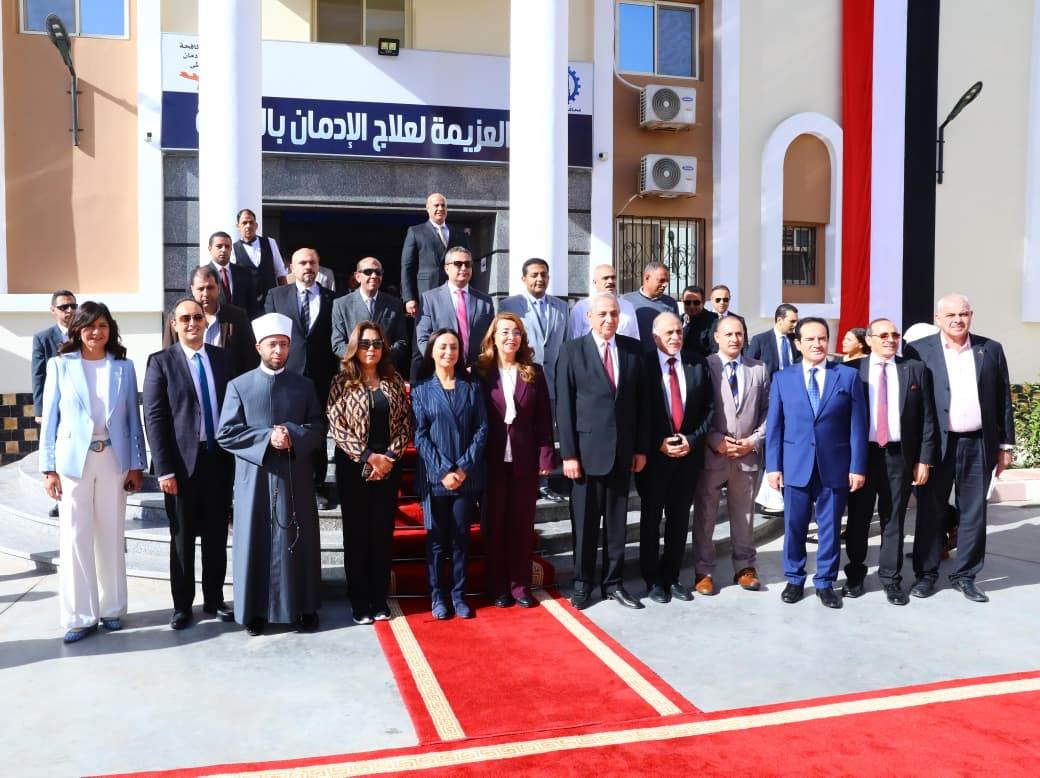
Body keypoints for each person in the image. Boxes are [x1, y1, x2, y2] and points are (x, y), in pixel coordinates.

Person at [39, 301, 146, 643]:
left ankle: (112, 609)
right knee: (75, 536)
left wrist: (136, 464)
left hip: (113, 459)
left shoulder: (123, 367)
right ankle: (80, 616)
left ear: (110, 329)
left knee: (111, 533)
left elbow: (132, 419)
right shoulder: (60, 365)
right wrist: (48, 468)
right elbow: (50, 420)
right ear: (77, 329)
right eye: (89, 326)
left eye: (102, 325)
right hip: (73, 463)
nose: (96, 332)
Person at [216, 313, 323, 636]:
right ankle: (254, 611)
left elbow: (318, 427)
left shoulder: (304, 385)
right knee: (255, 540)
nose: (278, 351)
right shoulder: (239, 386)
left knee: (299, 541)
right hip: (255, 479)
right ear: (258, 347)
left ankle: (304, 607)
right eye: (272, 344)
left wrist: (292, 434)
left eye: (284, 345)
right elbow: (226, 433)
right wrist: (266, 438)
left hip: (294, 477)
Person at [903, 294, 1014, 602]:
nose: (957, 320)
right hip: (936, 444)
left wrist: (1005, 445)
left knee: (973, 512)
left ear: (971, 316)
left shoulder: (990, 349)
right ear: (938, 318)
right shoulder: (919, 350)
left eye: (963, 314)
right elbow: (912, 404)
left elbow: (1003, 398)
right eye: (950, 315)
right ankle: (926, 574)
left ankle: (965, 576)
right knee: (930, 509)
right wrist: (915, 452)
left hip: (978, 443)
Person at [143, 297, 235, 629]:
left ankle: (214, 599)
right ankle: (182, 606)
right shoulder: (161, 362)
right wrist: (164, 469)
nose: (192, 323)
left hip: (218, 461)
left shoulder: (223, 359)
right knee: (182, 539)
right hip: (181, 467)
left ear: (206, 322)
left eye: (197, 317)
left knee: (215, 537)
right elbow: (154, 418)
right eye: (185, 319)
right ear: (174, 325)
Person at [765, 317, 867, 609]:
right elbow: (775, 427)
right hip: (795, 465)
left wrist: (857, 466)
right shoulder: (782, 378)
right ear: (798, 344)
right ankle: (795, 578)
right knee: (794, 526)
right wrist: (773, 466)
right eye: (810, 339)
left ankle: (825, 582)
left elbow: (858, 426)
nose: (817, 344)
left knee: (830, 528)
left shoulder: (847, 376)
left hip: (834, 466)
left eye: (822, 338)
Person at [556, 293, 649, 610]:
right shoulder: (572, 351)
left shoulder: (633, 350)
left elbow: (641, 405)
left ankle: (614, 583)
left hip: (622, 454)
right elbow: (564, 406)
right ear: (589, 317)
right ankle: (582, 584)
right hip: (584, 455)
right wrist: (568, 454)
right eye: (603, 314)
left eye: (614, 314)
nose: (609, 319)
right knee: (584, 525)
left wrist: (639, 449)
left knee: (616, 524)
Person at [843, 318, 939, 606]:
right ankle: (855, 574)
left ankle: (891, 579)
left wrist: (924, 459)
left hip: (900, 456)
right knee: (858, 518)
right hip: (862, 456)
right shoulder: (851, 370)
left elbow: (928, 418)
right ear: (868, 339)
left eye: (895, 335)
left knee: (894, 518)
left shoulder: (915, 369)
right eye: (883, 335)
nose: (890, 339)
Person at [327, 321, 412, 625]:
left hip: (388, 466)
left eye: (376, 343)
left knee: (381, 533)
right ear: (355, 347)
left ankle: (378, 598)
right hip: (354, 467)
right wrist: (367, 457)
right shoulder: (341, 381)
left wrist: (388, 458)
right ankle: (359, 600)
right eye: (365, 344)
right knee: (357, 534)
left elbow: (405, 422)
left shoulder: (393, 379)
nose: (371, 349)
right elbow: (336, 424)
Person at [476, 313, 555, 608]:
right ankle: (497, 586)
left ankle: (519, 586)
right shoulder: (481, 372)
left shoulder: (533, 371)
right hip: (491, 460)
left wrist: (546, 455)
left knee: (521, 526)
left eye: (517, 332)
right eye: (505, 332)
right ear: (493, 338)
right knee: (495, 525)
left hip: (524, 459)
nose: (512, 337)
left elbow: (544, 418)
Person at [411, 329, 488, 619]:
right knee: (436, 540)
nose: (448, 352)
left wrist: (463, 467)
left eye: (454, 347)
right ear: (432, 352)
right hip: (435, 478)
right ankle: (437, 596)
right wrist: (444, 469)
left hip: (466, 478)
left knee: (460, 539)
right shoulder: (420, 390)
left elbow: (482, 429)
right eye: (442, 347)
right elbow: (420, 436)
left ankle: (458, 595)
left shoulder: (472, 387)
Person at [636, 312, 712, 603]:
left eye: (679, 331)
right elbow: (637, 411)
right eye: (669, 333)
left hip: (687, 457)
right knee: (651, 519)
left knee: (679, 520)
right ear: (655, 336)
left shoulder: (697, 363)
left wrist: (691, 440)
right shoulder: (642, 365)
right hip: (655, 458)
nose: (675, 337)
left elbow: (709, 409)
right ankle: (652, 579)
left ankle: (672, 576)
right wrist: (658, 442)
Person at [692, 315, 770, 595]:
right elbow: (696, 410)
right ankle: (703, 570)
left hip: (747, 455)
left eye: (739, 334)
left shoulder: (759, 368)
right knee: (705, 516)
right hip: (712, 454)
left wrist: (754, 440)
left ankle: (745, 567)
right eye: (728, 334)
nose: (735, 339)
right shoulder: (704, 366)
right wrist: (714, 440)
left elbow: (768, 410)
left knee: (744, 516)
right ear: (717, 337)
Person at [264, 248, 338, 509]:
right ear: (291, 268)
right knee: (284, 427)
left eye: (312, 262)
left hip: (321, 376)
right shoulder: (276, 295)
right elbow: (268, 335)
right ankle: (284, 482)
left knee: (316, 431)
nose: (308, 267)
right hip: (286, 374)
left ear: (318, 267)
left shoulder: (332, 298)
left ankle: (316, 485)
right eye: (302, 263)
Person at [497, 257, 570, 502]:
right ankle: (521, 478)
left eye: (544, 275)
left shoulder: (561, 307)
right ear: (524, 278)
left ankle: (545, 482)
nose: (540, 279)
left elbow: (565, 345)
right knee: (520, 430)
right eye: (534, 275)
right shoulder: (509, 305)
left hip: (552, 382)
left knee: (546, 431)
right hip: (521, 380)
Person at [165, 266, 259, 379]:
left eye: (210, 288)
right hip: (189, 383)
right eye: (200, 289)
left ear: (218, 288)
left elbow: (250, 358)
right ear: (192, 289)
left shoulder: (237, 317)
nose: (205, 293)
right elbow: (168, 356)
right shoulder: (178, 317)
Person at [32, 290, 76, 518]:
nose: (69, 310)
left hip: (77, 406)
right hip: (54, 407)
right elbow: (38, 375)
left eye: (73, 306)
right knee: (57, 452)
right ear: (53, 311)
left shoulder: (83, 333)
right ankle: (60, 500)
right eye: (64, 307)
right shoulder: (43, 338)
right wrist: (40, 410)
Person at [415, 247, 495, 370]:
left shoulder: (485, 301)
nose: (464, 268)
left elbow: (491, 339)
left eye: (468, 264)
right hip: (442, 371)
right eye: (458, 264)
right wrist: (442, 364)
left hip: (476, 372)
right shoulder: (430, 299)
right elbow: (423, 339)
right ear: (446, 268)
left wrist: (479, 365)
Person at [330, 257, 409, 374]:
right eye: (368, 272)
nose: (374, 276)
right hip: (353, 372)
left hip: (385, 371)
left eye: (378, 272)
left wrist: (382, 357)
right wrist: (361, 357)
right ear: (357, 276)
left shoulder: (394, 304)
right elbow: (338, 344)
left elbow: (401, 341)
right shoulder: (341, 304)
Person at [401, 193, 468, 317]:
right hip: (426, 291)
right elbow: (407, 266)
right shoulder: (416, 231)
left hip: (454, 290)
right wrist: (409, 297)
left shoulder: (458, 233)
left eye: (443, 206)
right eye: (436, 205)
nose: (440, 209)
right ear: (428, 208)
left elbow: (468, 263)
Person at [232, 208, 288, 309]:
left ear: (256, 225)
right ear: (238, 226)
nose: (248, 226)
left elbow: (280, 273)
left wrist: (285, 298)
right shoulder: (233, 249)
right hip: (246, 304)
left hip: (271, 301)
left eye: (251, 222)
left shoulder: (270, 242)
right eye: (244, 223)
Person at [569, 264, 640, 340]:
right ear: (595, 282)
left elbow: (635, 337)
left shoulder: (627, 306)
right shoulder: (581, 308)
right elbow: (574, 340)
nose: (610, 281)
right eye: (605, 278)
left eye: (613, 277)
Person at [621, 261, 679, 352]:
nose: (665, 285)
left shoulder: (671, 303)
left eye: (667, 281)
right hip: (633, 355)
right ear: (647, 278)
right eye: (661, 280)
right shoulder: (626, 301)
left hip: (660, 357)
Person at [207, 230, 258, 317]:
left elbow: (253, 305)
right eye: (219, 246)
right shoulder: (201, 275)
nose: (224, 250)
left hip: (241, 323)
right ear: (210, 248)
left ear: (231, 249)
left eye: (227, 246)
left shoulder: (245, 273)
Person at [748, 304, 801, 375]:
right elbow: (748, 366)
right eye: (792, 321)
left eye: (797, 322)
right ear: (779, 320)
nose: (795, 325)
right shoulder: (760, 340)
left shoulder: (796, 339)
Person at [706, 284, 748, 353]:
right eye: (718, 300)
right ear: (712, 299)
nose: (722, 302)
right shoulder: (704, 319)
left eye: (725, 299)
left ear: (729, 299)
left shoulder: (739, 320)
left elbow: (744, 347)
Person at [680, 285, 716, 359]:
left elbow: (714, 351)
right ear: (682, 302)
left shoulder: (713, 321)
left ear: (703, 302)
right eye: (687, 302)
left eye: (696, 302)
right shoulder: (678, 320)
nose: (691, 306)